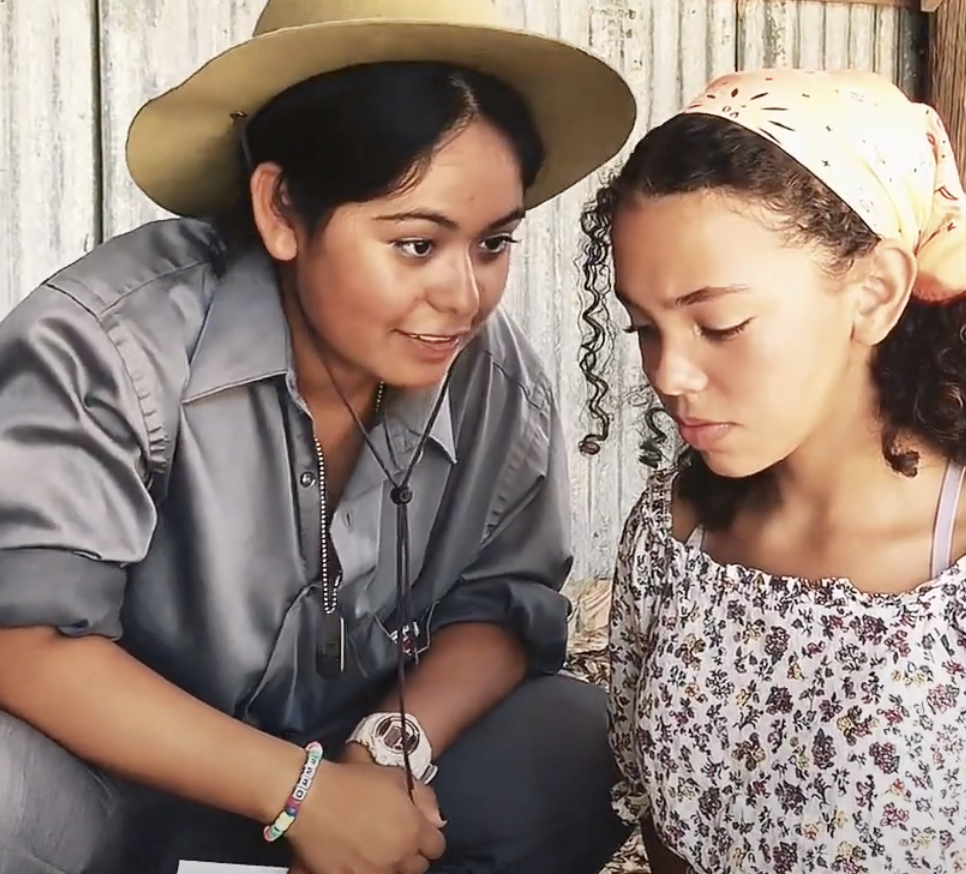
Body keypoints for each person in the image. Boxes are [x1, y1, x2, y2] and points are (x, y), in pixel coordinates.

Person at [0, 1, 637, 873]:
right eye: (416, 244)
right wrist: (295, 793)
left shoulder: (495, 378)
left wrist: (388, 751)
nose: (463, 295)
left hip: (356, 778)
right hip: (116, 792)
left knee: (568, 739)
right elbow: (27, 639)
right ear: (282, 211)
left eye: (492, 243)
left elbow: (498, 604)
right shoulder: (110, 346)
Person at [577, 68, 966, 873]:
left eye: (719, 323)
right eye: (644, 328)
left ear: (874, 292)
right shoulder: (673, 536)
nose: (668, 374)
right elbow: (660, 822)